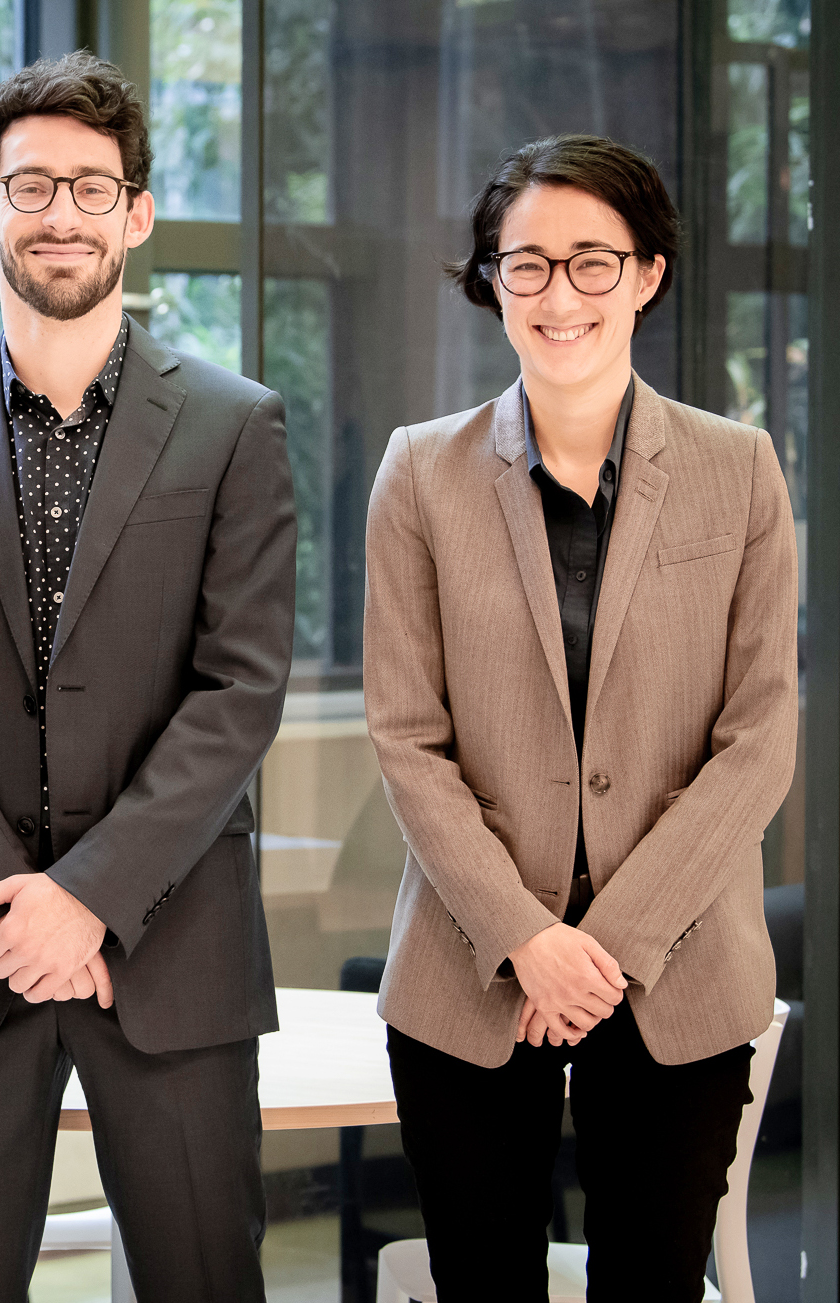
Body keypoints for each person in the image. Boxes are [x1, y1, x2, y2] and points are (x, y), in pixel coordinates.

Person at [0, 52, 295, 1303]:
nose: (61, 214)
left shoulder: (234, 426)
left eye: (92, 187)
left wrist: (87, 898)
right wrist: (14, 903)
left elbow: (239, 691)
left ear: (137, 215)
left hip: (175, 954)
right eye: (29, 184)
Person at [364, 134, 797, 1300]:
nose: (560, 295)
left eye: (592, 262)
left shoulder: (740, 469)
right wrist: (524, 934)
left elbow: (759, 738)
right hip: (470, 967)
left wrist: (611, 947)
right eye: (528, 264)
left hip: (682, 969)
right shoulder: (420, 474)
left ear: (647, 273)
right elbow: (406, 736)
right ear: (492, 280)